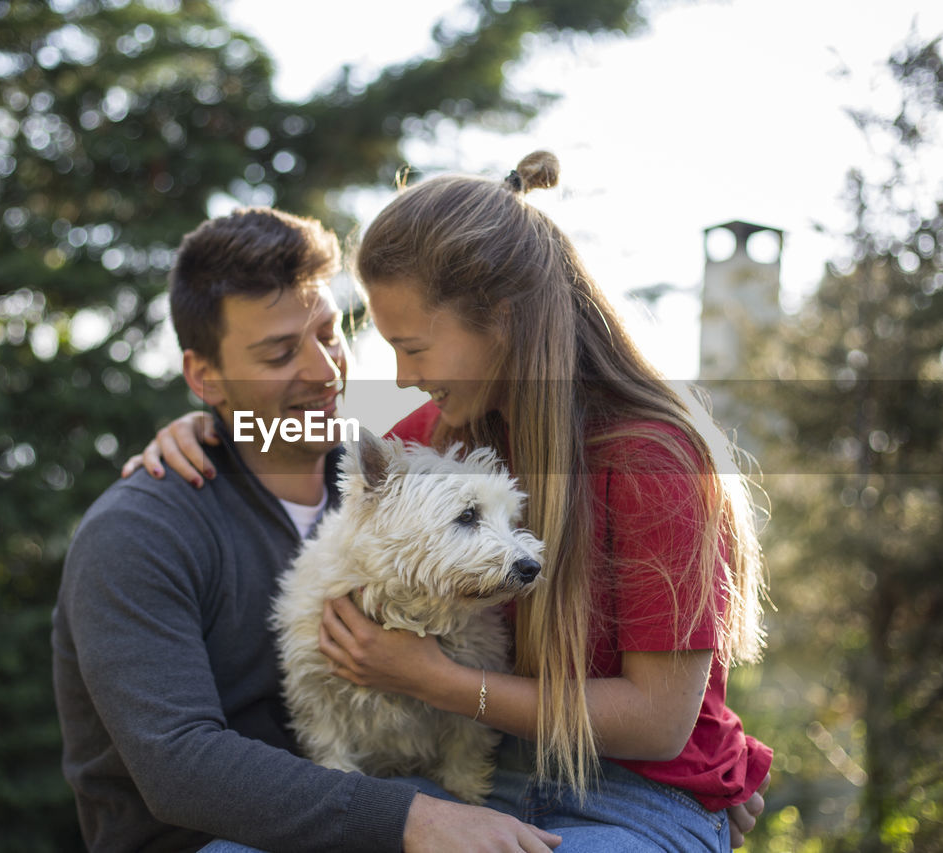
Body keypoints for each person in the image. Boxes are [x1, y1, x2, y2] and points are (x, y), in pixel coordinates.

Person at [129, 152, 773, 851]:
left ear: (501, 318)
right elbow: (329, 476)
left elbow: (657, 721)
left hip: (630, 796)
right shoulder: (439, 438)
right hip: (469, 777)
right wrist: (211, 425)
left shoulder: (652, 459)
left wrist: (434, 679)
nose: (402, 378)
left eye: (413, 348)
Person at [51, 207, 564, 852]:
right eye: (279, 352)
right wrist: (412, 821)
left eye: (328, 334)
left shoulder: (393, 484)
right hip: (209, 840)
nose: (325, 371)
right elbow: (178, 766)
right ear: (205, 377)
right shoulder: (136, 535)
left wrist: (710, 757)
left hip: (380, 797)